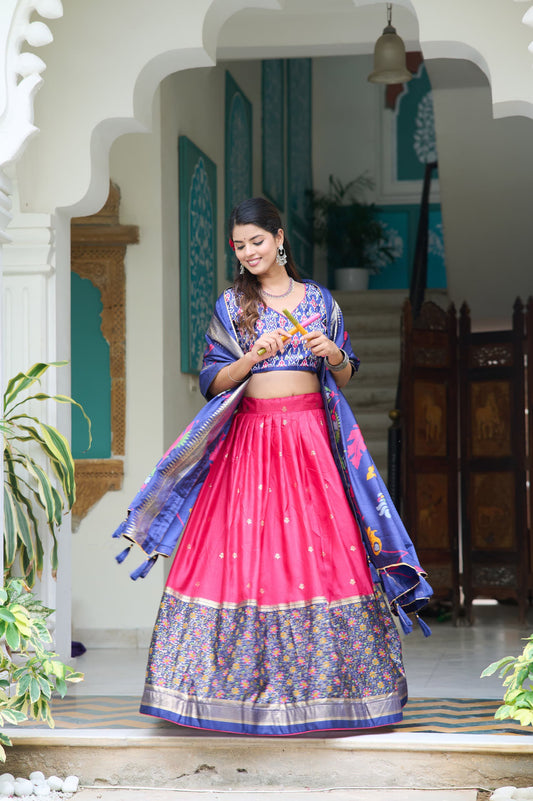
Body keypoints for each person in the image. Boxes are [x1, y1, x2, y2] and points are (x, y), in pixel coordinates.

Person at [113, 196, 432, 736]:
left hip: (311, 444)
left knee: (330, 556)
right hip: (251, 443)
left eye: (257, 241)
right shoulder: (232, 307)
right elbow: (210, 381)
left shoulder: (320, 301)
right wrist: (252, 357)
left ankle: (335, 693)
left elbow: (346, 372)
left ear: (281, 238)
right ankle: (222, 694)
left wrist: (330, 351)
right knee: (241, 558)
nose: (249, 252)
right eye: (239, 245)